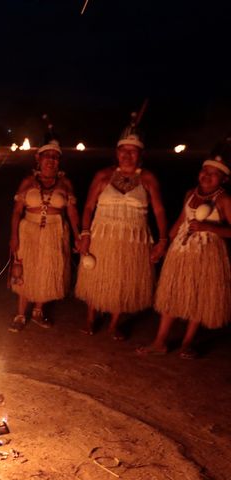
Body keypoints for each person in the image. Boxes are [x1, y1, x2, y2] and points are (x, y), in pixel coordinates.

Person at [75, 118, 168, 340]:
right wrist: (85, 234)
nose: (127, 156)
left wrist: (163, 240)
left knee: (123, 280)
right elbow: (88, 207)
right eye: (123, 151)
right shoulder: (103, 176)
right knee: (97, 276)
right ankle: (90, 318)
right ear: (116, 153)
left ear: (141, 155)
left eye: (133, 152)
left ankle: (114, 324)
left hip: (133, 239)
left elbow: (159, 212)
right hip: (102, 236)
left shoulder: (147, 178)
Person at [137, 152, 231, 358]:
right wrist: (162, 245)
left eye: (214, 174)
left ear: (224, 179)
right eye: (205, 171)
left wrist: (208, 227)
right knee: (172, 294)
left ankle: (187, 344)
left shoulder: (224, 200)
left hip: (207, 253)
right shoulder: (190, 193)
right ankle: (159, 342)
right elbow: (180, 221)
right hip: (181, 250)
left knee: (198, 296)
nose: (207, 176)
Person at [8, 134, 80, 332]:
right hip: (28, 231)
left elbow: (72, 213)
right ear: (38, 159)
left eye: (55, 156)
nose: (50, 160)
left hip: (55, 231)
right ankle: (21, 314)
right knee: (25, 270)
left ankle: (38, 312)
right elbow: (16, 212)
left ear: (59, 161)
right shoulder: (27, 182)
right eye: (46, 156)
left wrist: (78, 235)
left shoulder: (65, 184)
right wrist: (14, 236)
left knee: (46, 270)